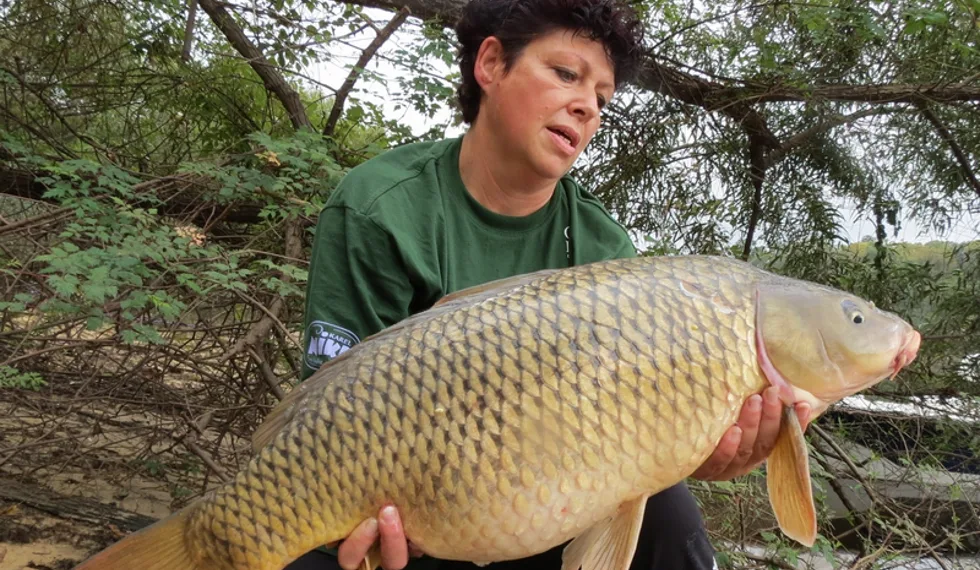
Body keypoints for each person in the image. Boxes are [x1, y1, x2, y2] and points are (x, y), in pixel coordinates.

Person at [289, 1, 810, 569]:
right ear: (491, 64)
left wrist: (699, 450)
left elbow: (633, 444)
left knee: (668, 513)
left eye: (603, 98)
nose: (587, 106)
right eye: (566, 74)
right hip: (407, 504)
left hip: (539, 505)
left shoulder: (602, 250)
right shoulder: (380, 207)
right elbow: (328, 423)